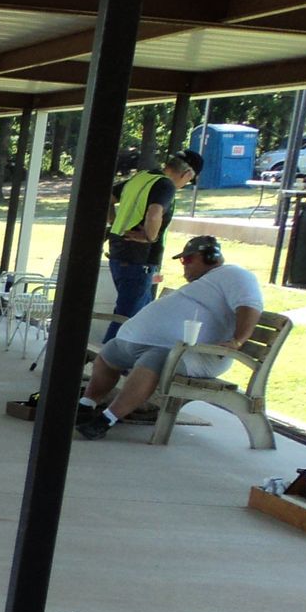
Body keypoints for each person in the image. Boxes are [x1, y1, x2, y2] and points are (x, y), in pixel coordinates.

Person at [77, 234, 261, 440]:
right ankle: (86, 406)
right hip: (153, 344)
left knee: (156, 359)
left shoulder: (234, 274)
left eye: (189, 259)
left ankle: (106, 420)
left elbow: (250, 306)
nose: (185, 265)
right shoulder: (205, 285)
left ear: (211, 257)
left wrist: (238, 340)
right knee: (111, 351)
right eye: (183, 260)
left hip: (199, 355)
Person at [103, 150, 202, 341]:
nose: (185, 185)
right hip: (139, 261)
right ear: (187, 174)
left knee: (142, 316)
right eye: (189, 181)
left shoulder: (143, 177)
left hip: (120, 255)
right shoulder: (166, 185)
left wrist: (114, 223)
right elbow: (154, 212)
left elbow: (108, 198)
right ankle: (105, 361)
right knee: (127, 319)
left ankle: (124, 363)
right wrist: (149, 237)